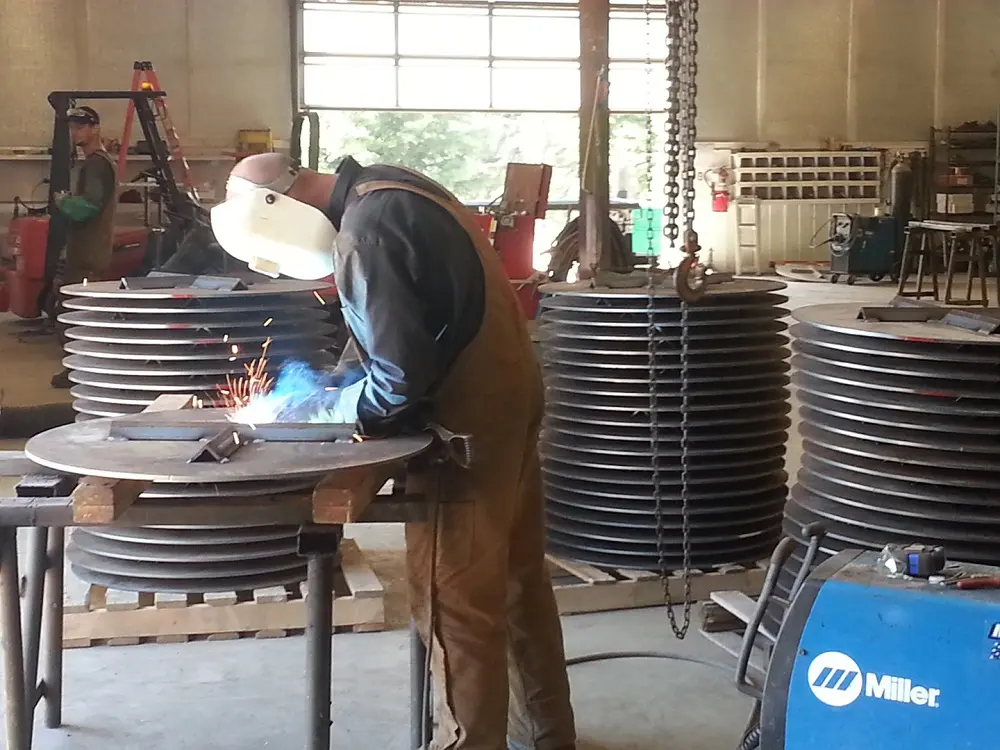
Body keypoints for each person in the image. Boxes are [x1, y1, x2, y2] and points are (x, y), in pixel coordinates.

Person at [210, 153, 577, 750]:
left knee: (454, 601)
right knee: (515, 585)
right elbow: (400, 322)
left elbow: (399, 381)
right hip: (507, 400)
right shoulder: (395, 187)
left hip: (465, 432)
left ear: (277, 210)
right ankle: (548, 738)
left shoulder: (366, 229)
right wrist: (334, 381)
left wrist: (334, 413)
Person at [49, 105, 118, 389]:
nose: (75, 131)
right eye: (73, 127)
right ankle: (83, 366)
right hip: (85, 254)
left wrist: (64, 202)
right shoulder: (94, 163)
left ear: (95, 128)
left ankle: (84, 369)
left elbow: (88, 207)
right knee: (73, 312)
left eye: (80, 126)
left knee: (76, 316)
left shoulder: (96, 164)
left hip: (89, 256)